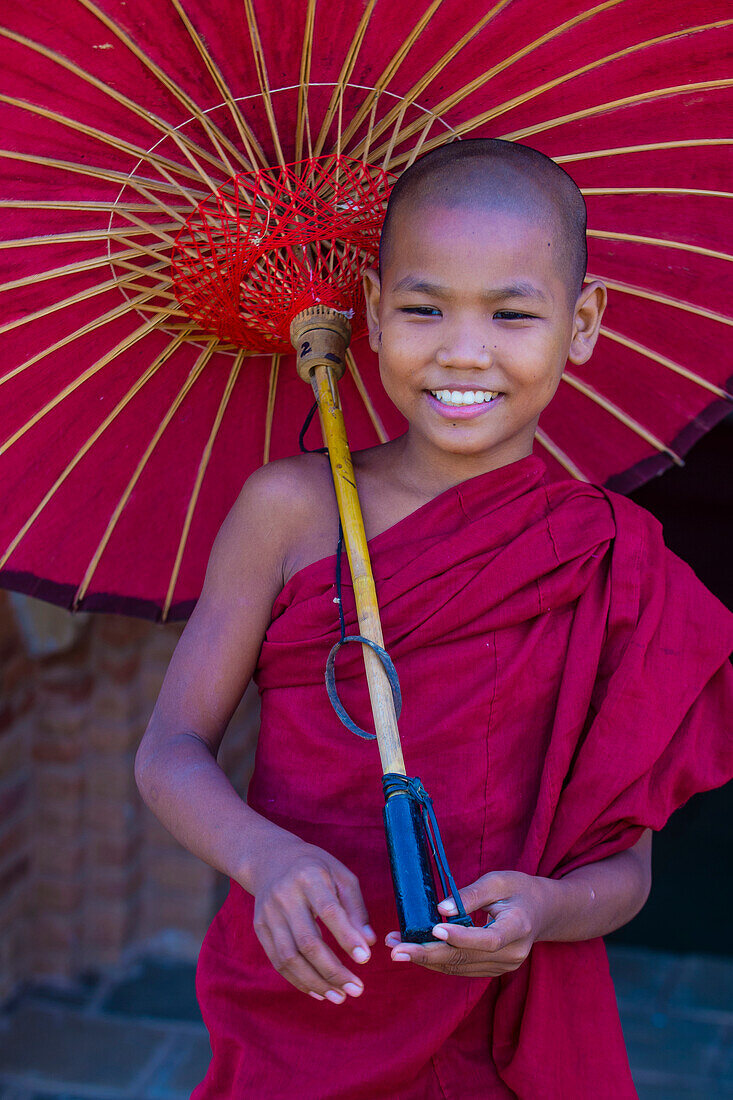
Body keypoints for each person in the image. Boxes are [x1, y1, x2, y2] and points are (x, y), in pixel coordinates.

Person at [135, 139, 733, 1099]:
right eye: (422, 308)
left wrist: (543, 910)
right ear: (369, 313)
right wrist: (266, 858)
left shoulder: (611, 559)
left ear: (581, 323)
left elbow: (625, 869)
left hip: (501, 1021)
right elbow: (168, 751)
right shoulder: (289, 510)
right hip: (308, 996)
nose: (463, 350)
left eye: (511, 312)